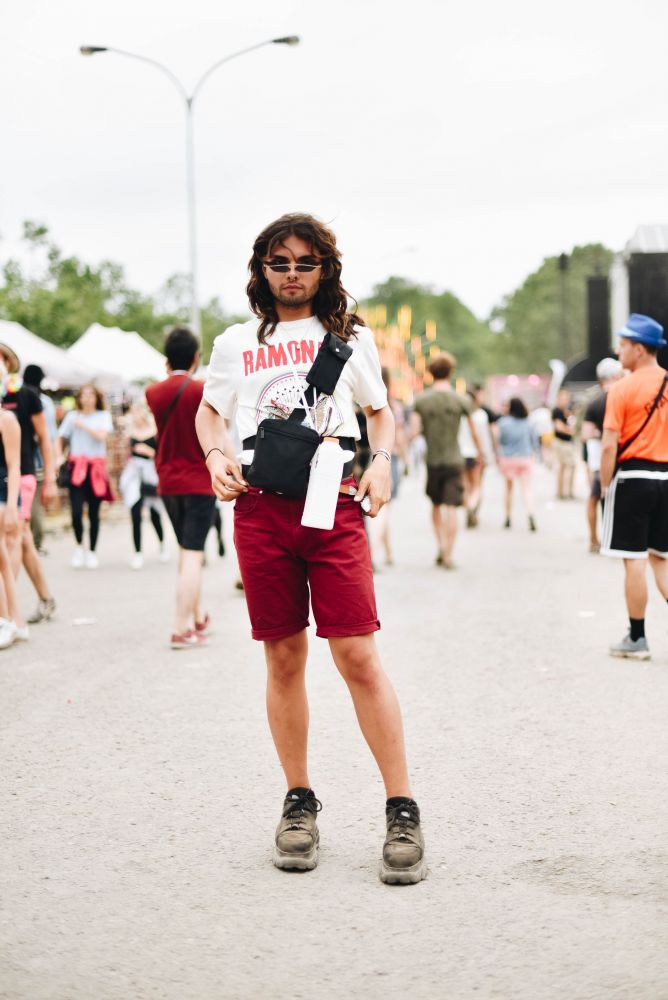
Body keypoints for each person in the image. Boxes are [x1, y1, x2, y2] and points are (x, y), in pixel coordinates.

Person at [196, 212, 426, 885]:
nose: (291, 273)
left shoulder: (350, 339)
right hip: (261, 510)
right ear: (261, 269)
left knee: (356, 654)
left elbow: (380, 411)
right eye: (279, 261)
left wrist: (381, 462)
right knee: (285, 656)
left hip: (334, 503)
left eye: (305, 262)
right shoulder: (236, 341)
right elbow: (211, 409)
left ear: (325, 268)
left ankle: (401, 807)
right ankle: (299, 801)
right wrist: (214, 453)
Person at [600, 314, 668, 660]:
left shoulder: (621, 389)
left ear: (639, 350)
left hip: (633, 478)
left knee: (634, 559)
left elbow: (609, 444)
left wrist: (602, 484)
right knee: (662, 559)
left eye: (623, 345)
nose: (618, 350)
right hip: (666, 479)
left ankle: (637, 637)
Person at [146, 327, 215, 649]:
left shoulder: (153, 392)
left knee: (187, 551)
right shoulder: (201, 390)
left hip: (168, 482)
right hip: (199, 480)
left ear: (166, 359)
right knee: (192, 553)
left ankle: (197, 615)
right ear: (196, 358)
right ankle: (180, 628)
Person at [0, 343, 57, 628]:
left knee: (13, 535)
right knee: (23, 539)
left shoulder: (25, 397)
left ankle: (7, 612)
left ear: (8, 363)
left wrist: (50, 478)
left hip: (20, 474)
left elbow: (45, 438)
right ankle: (45, 597)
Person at [411, 353, 481, 569]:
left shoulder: (421, 401)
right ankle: (449, 553)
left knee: (436, 504)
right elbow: (474, 431)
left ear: (431, 373)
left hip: (433, 460)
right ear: (450, 372)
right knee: (452, 506)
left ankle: (440, 544)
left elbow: (414, 431)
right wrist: (481, 453)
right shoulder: (461, 400)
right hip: (454, 459)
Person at [57, 385, 114, 569]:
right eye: (84, 395)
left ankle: (92, 551)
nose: (87, 399)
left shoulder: (102, 416)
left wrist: (84, 425)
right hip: (77, 468)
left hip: (96, 468)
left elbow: (101, 437)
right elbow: (60, 437)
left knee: (94, 513)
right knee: (75, 511)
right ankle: (79, 546)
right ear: (79, 398)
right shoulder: (72, 416)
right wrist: (58, 456)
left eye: (91, 395)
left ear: (96, 398)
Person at [581, 357, 623, 553]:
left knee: (595, 497)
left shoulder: (594, 403)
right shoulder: (623, 399)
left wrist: (601, 433)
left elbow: (585, 435)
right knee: (620, 499)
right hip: (621, 459)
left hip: (598, 461)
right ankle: (617, 539)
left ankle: (593, 539)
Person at [119, 402, 168, 570]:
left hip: (151, 473)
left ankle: (162, 545)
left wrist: (148, 452)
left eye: (137, 411)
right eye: (133, 412)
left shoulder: (155, 431)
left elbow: (163, 454)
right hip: (134, 474)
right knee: (135, 513)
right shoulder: (130, 432)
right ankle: (138, 552)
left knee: (155, 514)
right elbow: (126, 453)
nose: (135, 415)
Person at [368, 367, 406, 567]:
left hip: (362, 459)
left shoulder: (360, 401)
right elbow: (398, 436)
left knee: (379, 508)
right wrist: (406, 457)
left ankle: (388, 552)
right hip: (389, 458)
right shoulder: (392, 407)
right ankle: (372, 552)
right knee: (382, 508)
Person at [22, 364, 57, 555]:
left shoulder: (19, 398)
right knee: (33, 505)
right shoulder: (45, 402)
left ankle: (32, 543)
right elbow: (49, 436)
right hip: (36, 460)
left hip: (29, 460)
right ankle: (35, 542)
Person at [0, 405, 26, 646]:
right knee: (3, 562)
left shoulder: (6, 419)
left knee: (3, 560)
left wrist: (10, 506)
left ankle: (7, 619)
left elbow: (14, 464)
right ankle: (15, 620)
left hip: (2, 492)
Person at [495, 397, 538, 531]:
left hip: (508, 459)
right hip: (525, 457)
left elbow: (501, 441)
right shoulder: (528, 422)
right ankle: (530, 513)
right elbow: (534, 442)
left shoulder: (503, 422)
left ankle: (508, 517)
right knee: (526, 489)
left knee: (508, 489)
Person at [458, 384, 494, 528]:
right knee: (477, 486)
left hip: (461, 454)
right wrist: (485, 455)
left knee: (466, 486)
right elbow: (483, 438)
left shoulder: (459, 416)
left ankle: (468, 508)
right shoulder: (480, 415)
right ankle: (472, 507)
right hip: (475, 454)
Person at [551, 388, 577, 498]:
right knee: (566, 466)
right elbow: (558, 427)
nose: (565, 400)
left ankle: (566, 491)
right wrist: (569, 431)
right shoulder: (556, 411)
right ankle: (563, 492)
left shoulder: (567, 411)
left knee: (567, 466)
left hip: (567, 441)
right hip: (561, 441)